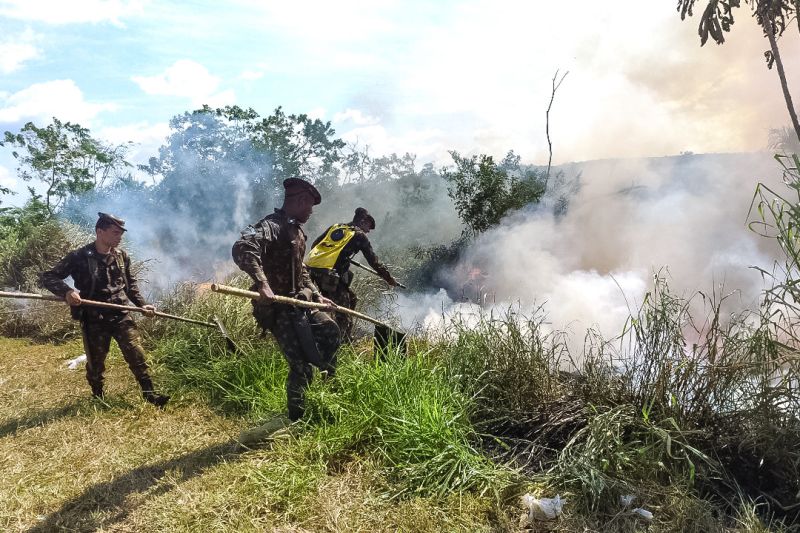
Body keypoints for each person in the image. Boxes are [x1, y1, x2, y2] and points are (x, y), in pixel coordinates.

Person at [232, 178, 340, 422]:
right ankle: (297, 419)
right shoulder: (271, 226)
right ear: (300, 200)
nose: (311, 212)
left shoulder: (296, 231)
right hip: (279, 308)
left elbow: (300, 269)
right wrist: (263, 284)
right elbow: (243, 247)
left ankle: (330, 393)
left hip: (301, 302)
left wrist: (318, 294)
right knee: (300, 367)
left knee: (330, 331)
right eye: (310, 206)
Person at [40, 212, 170, 407]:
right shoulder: (79, 256)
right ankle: (98, 396)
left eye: (120, 234)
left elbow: (130, 286)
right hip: (94, 317)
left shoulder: (121, 257)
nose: (119, 237)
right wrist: (67, 292)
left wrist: (142, 305)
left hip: (120, 314)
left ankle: (150, 395)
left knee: (137, 355)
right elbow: (48, 276)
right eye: (115, 233)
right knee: (96, 362)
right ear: (100, 232)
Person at [306, 207, 400, 341]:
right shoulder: (359, 235)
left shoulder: (336, 227)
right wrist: (389, 278)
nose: (368, 231)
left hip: (314, 272)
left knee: (351, 298)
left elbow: (315, 245)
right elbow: (373, 262)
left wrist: (341, 255)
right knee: (343, 314)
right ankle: (340, 342)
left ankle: (327, 331)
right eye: (368, 226)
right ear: (363, 221)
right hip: (331, 277)